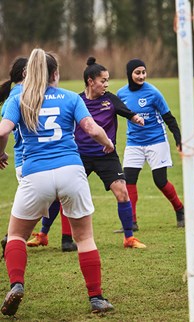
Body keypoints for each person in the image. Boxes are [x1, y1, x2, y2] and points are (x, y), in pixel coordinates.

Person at [0, 49, 114, 315]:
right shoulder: (71, 97)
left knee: (16, 235)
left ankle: (16, 284)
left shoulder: (20, 98)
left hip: (35, 174)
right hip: (71, 171)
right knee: (84, 238)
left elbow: (4, 130)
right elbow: (91, 128)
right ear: (55, 74)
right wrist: (107, 142)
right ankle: (96, 298)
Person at [29, 57, 147, 249]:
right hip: (79, 156)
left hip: (106, 155)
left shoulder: (110, 99)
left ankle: (129, 238)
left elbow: (127, 112)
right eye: (103, 80)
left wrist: (136, 118)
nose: (106, 84)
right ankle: (43, 234)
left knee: (122, 192)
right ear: (91, 81)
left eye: (107, 80)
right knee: (59, 195)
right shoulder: (77, 100)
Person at [0, 57, 77, 253]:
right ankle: (13, 239)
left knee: (52, 198)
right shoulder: (26, 95)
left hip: (26, 161)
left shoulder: (15, 96)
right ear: (27, 73)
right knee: (55, 197)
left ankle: (58, 237)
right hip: (32, 160)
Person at [116, 59, 185, 230]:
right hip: (134, 143)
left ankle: (180, 210)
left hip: (156, 142)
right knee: (129, 180)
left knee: (160, 181)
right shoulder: (121, 94)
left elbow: (169, 117)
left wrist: (178, 138)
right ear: (129, 74)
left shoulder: (153, 93)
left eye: (143, 72)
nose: (141, 76)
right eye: (137, 73)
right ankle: (132, 222)